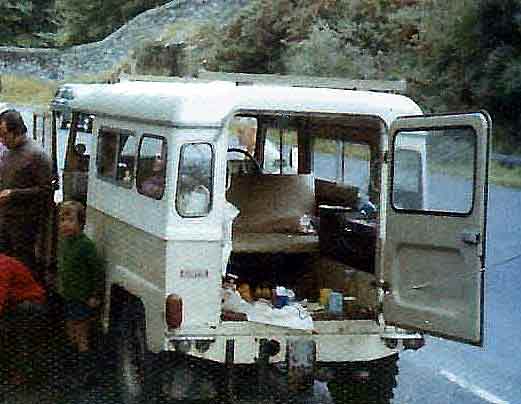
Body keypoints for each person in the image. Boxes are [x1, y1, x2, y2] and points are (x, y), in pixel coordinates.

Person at [0, 107, 52, 279]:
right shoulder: (8, 152)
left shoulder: (37, 156)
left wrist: (13, 194)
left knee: (23, 266)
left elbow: (46, 191)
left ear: (17, 131)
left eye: (4, 135)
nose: (2, 140)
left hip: (24, 224)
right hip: (5, 220)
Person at [57, 201, 103, 356]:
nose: (65, 224)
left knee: (81, 329)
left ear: (81, 223)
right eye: (62, 220)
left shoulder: (85, 245)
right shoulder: (66, 243)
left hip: (82, 297)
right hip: (69, 294)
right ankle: (72, 354)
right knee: (70, 325)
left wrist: (95, 295)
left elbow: (97, 271)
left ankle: (84, 359)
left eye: (70, 220)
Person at [0, 254, 47, 385]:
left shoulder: (3, 265)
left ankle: (23, 374)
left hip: (30, 305)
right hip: (18, 304)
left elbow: (1, 294)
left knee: (21, 338)